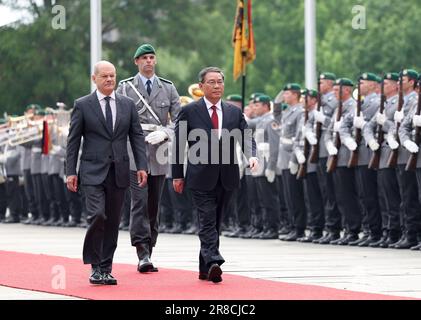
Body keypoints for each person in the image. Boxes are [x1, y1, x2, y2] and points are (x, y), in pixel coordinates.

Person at [172, 67, 257, 283]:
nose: (217, 86)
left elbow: (246, 137)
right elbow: (178, 143)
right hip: (200, 175)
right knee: (207, 219)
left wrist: (252, 156)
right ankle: (214, 261)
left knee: (216, 221)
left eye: (220, 81)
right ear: (201, 86)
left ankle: (204, 267)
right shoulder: (190, 111)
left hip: (227, 175)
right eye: (212, 82)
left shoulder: (233, 112)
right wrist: (177, 175)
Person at [66, 60, 148, 285]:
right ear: (95, 79)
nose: (110, 79)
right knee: (97, 216)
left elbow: (137, 136)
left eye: (112, 76)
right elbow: (73, 141)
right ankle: (94, 266)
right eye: (104, 76)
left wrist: (142, 166)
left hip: (119, 171)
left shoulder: (127, 104)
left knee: (112, 221)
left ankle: (106, 267)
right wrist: (70, 172)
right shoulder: (83, 105)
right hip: (92, 172)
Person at [117, 43, 180, 273]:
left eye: (152, 57)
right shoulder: (125, 88)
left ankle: (150, 248)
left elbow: (179, 121)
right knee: (139, 202)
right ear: (136, 62)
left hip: (160, 150)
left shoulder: (168, 88)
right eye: (144, 58)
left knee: (153, 205)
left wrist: (166, 132)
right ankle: (142, 251)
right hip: (135, 151)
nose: (149, 61)